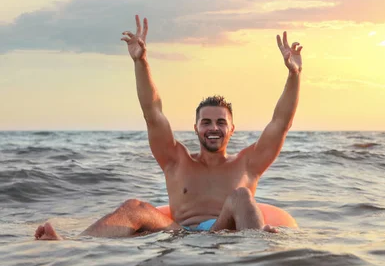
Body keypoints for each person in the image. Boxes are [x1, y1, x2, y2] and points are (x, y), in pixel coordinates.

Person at [34, 15, 303, 240]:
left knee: (241, 196)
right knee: (134, 207)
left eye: (221, 122)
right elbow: (153, 113)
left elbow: (281, 123)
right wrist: (141, 62)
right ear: (196, 128)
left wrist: (294, 75)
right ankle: (72, 247)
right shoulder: (177, 160)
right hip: (180, 235)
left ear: (232, 129)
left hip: (227, 233)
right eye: (206, 122)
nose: (213, 128)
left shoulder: (247, 164)